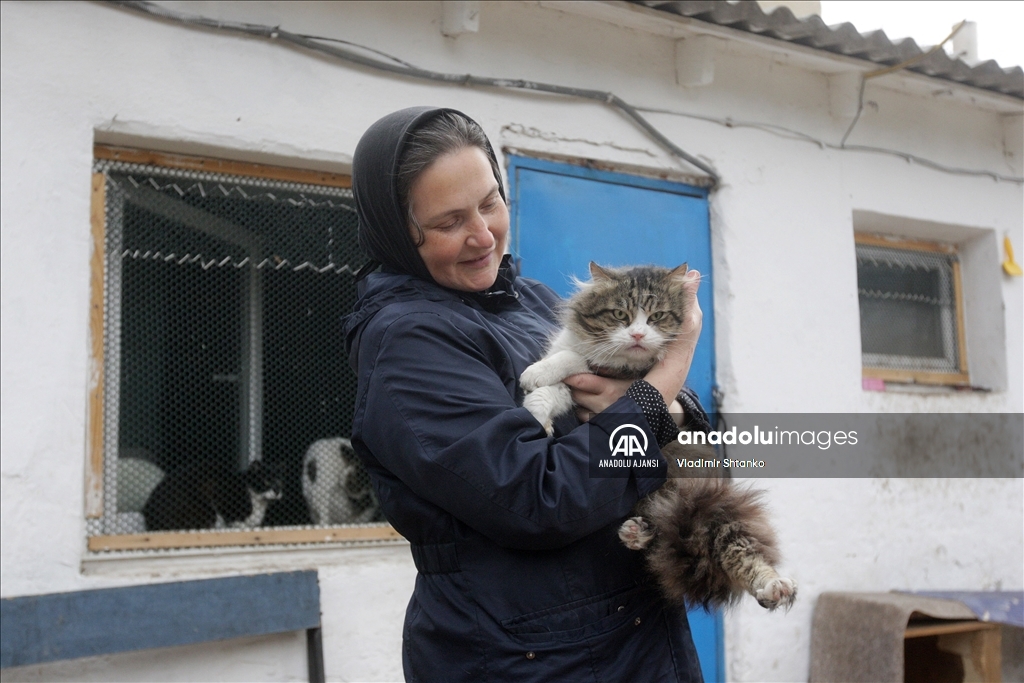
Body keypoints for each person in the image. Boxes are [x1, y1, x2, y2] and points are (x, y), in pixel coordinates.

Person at [343, 106, 709, 682]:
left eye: (490, 202)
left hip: (630, 641)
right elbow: (537, 499)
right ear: (397, 231)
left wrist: (675, 411)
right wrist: (670, 374)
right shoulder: (406, 343)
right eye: (448, 222)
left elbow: (695, 450)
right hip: (531, 661)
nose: (482, 235)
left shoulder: (532, 301)